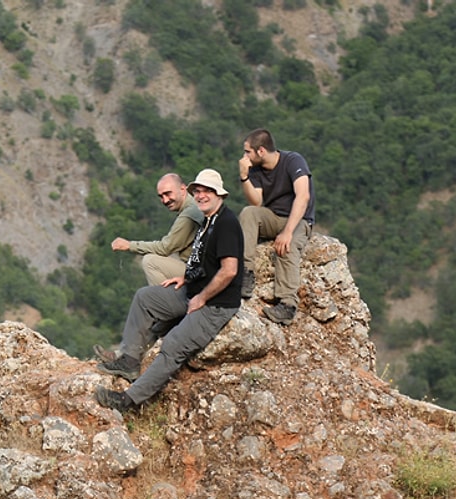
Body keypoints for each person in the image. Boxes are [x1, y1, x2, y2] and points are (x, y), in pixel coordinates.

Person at [94, 169, 243, 413]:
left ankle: (128, 401)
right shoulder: (208, 221)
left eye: (208, 191)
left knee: (172, 345)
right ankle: (130, 360)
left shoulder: (226, 224)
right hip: (192, 291)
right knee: (145, 297)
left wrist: (201, 298)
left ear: (219, 194)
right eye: (199, 191)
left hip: (215, 304)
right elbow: (203, 261)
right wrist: (186, 276)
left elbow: (229, 271)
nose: (202, 195)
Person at [237, 128, 315, 325]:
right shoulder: (256, 169)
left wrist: (287, 232)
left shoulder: (293, 160)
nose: (245, 156)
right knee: (248, 213)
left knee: (285, 248)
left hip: (299, 219)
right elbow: (256, 201)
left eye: (248, 151)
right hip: (273, 216)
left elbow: (303, 196)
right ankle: (246, 273)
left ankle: (287, 304)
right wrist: (244, 177)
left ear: (261, 151)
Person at [110, 173, 205, 286]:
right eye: (161, 196)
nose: (165, 200)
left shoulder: (189, 214)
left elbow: (165, 248)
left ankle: (163, 301)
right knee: (164, 256)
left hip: (199, 271)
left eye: (168, 194)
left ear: (183, 189)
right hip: (197, 266)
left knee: (150, 261)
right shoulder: (194, 207)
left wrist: (130, 245)